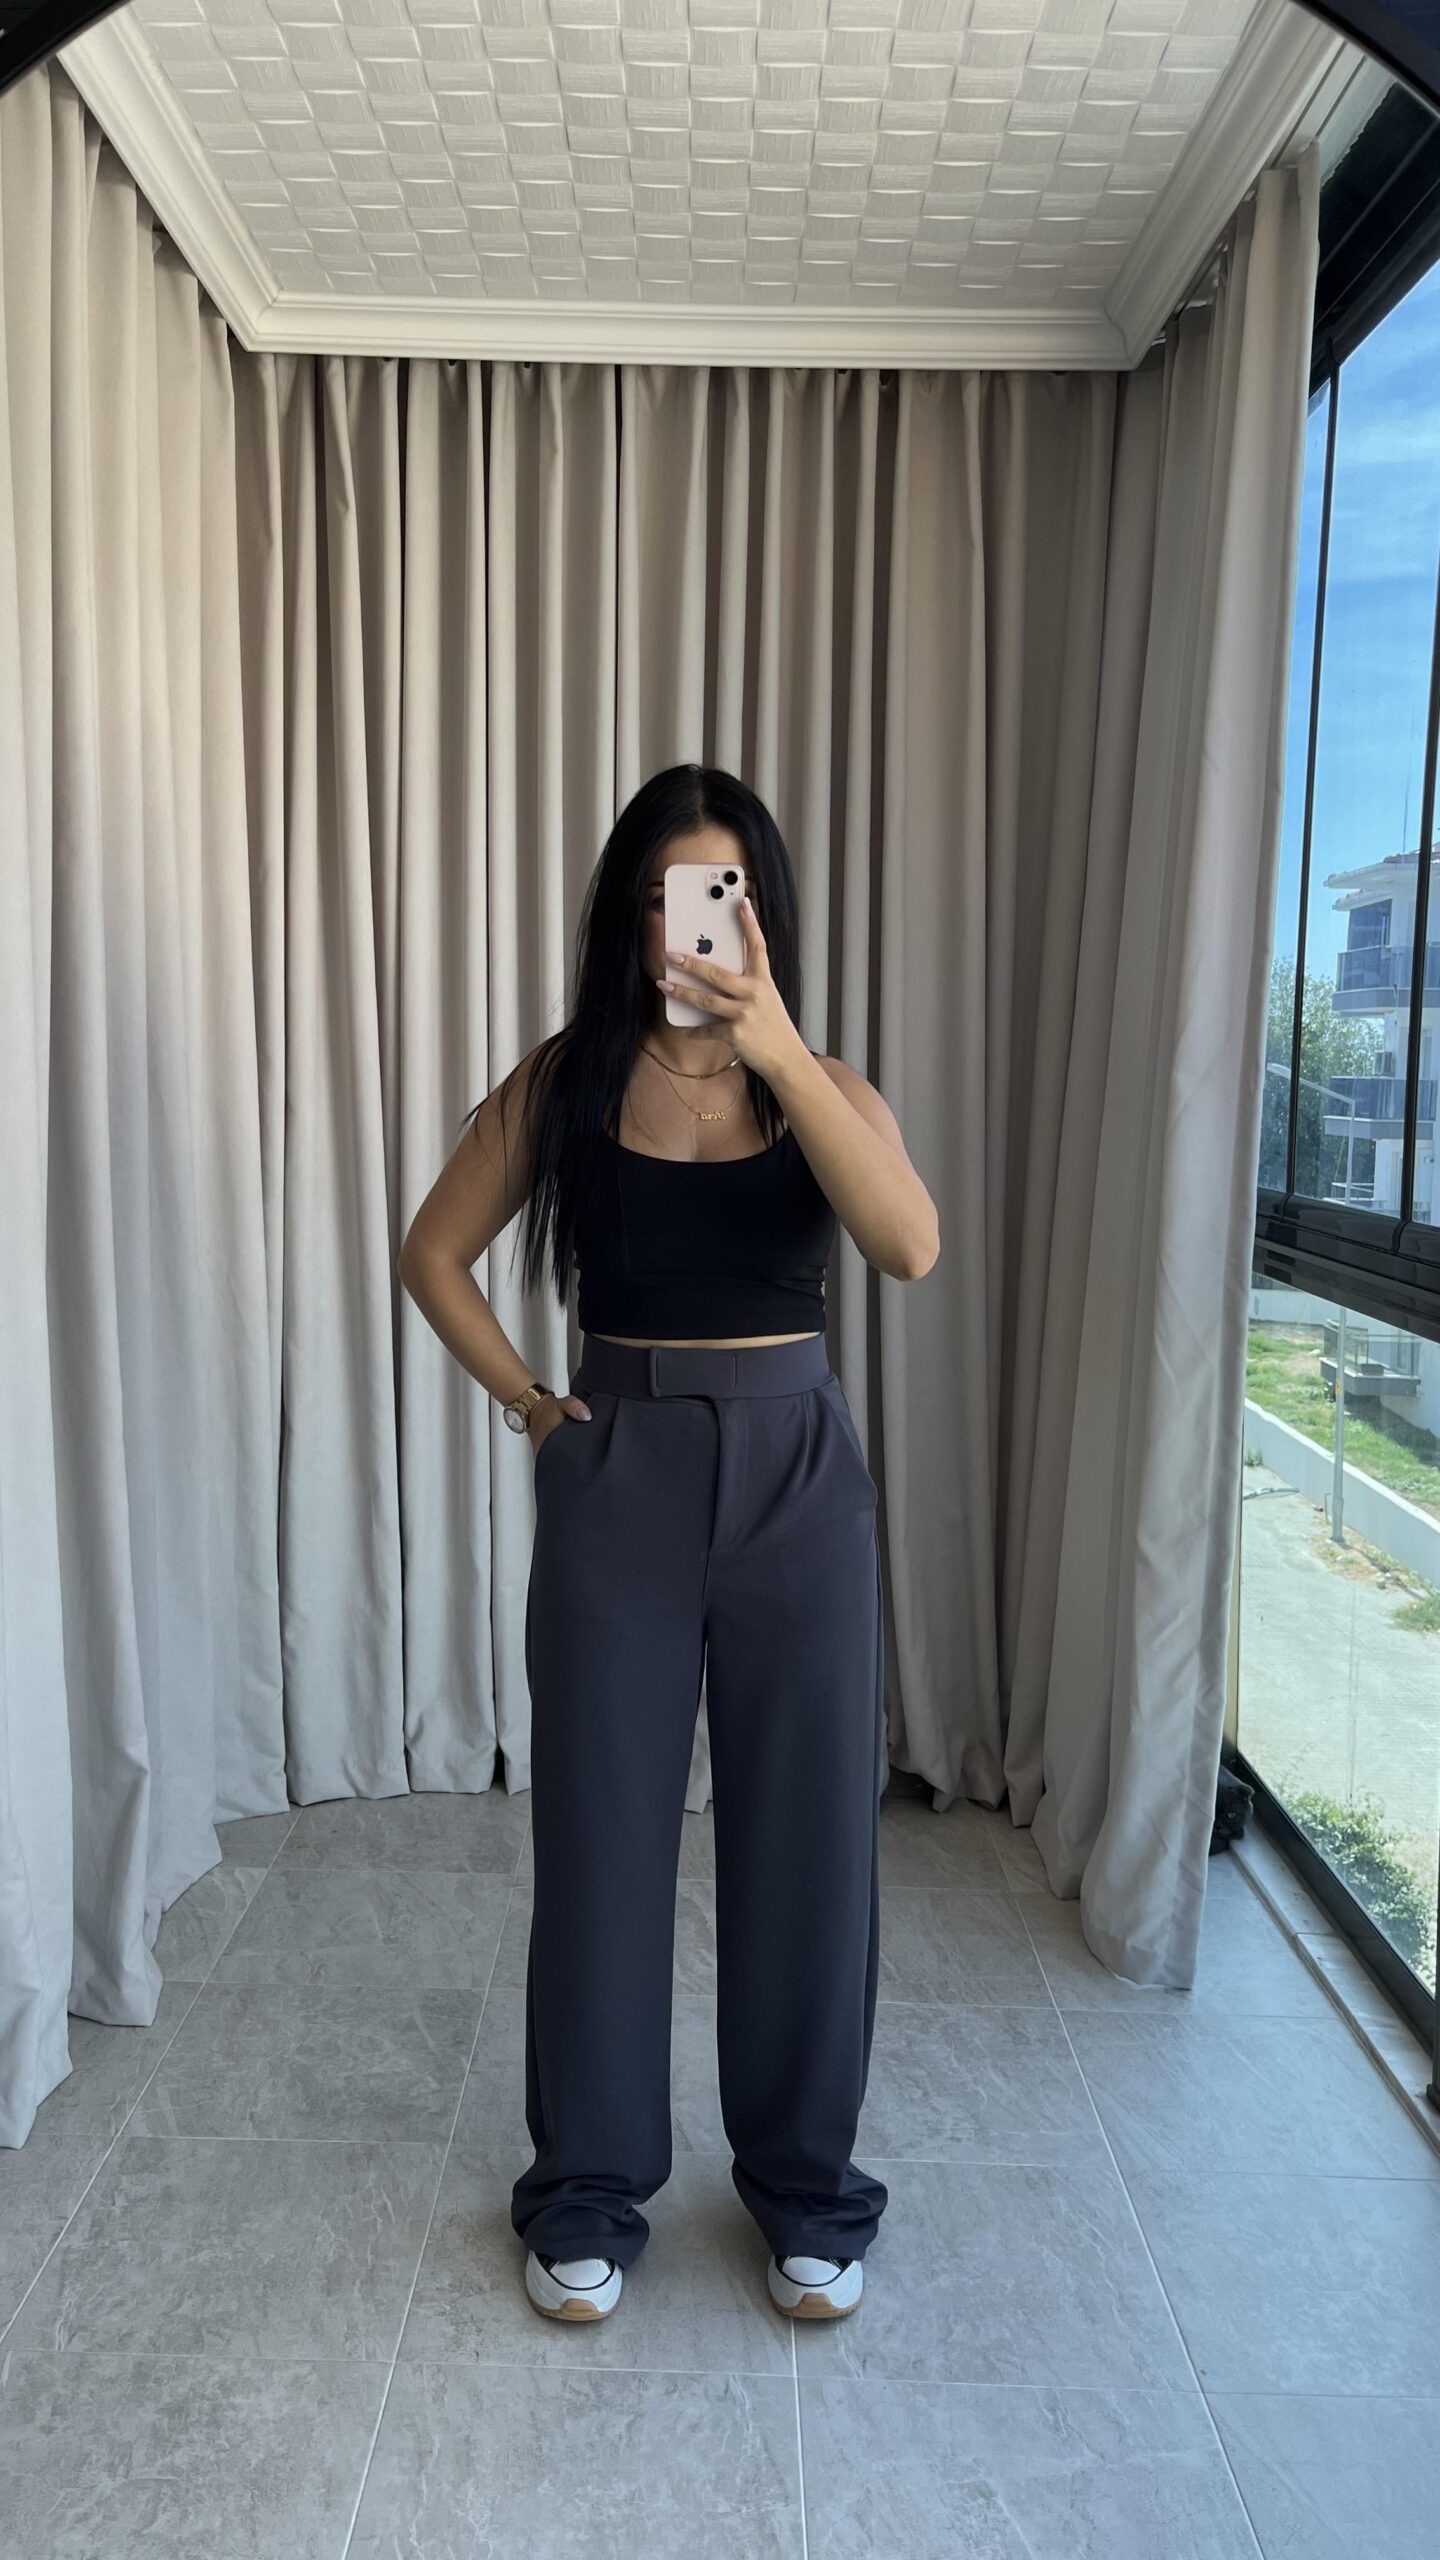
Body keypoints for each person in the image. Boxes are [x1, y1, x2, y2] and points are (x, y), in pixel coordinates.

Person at [399, 764, 940, 2327]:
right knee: (603, 1842)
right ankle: (586, 2188)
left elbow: (907, 1245)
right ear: (625, 918)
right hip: (619, 1468)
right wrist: (530, 1401)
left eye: (714, 892)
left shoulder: (823, 1083)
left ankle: (807, 2192)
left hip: (798, 1478)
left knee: (810, 1845)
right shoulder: (568, 1081)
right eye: (656, 896)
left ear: (760, 909)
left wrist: (776, 1050)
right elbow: (433, 1252)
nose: (681, 925)